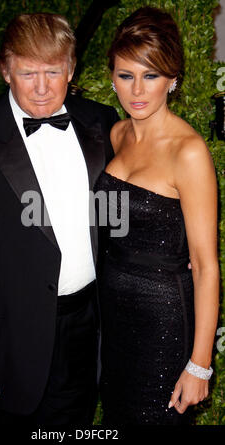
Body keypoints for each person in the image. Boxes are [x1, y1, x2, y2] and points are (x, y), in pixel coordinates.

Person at [0, 13, 119, 426]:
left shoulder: (102, 122)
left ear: (71, 68)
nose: (43, 87)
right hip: (3, 347)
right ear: (5, 70)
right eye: (28, 72)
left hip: (84, 331)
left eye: (53, 71)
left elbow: (117, 214)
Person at [94, 6, 219, 425]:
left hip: (162, 321)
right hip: (112, 316)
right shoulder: (117, 134)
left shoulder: (189, 152)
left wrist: (199, 364)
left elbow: (205, 265)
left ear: (172, 79)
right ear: (111, 76)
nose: (137, 90)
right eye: (126, 75)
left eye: (151, 75)